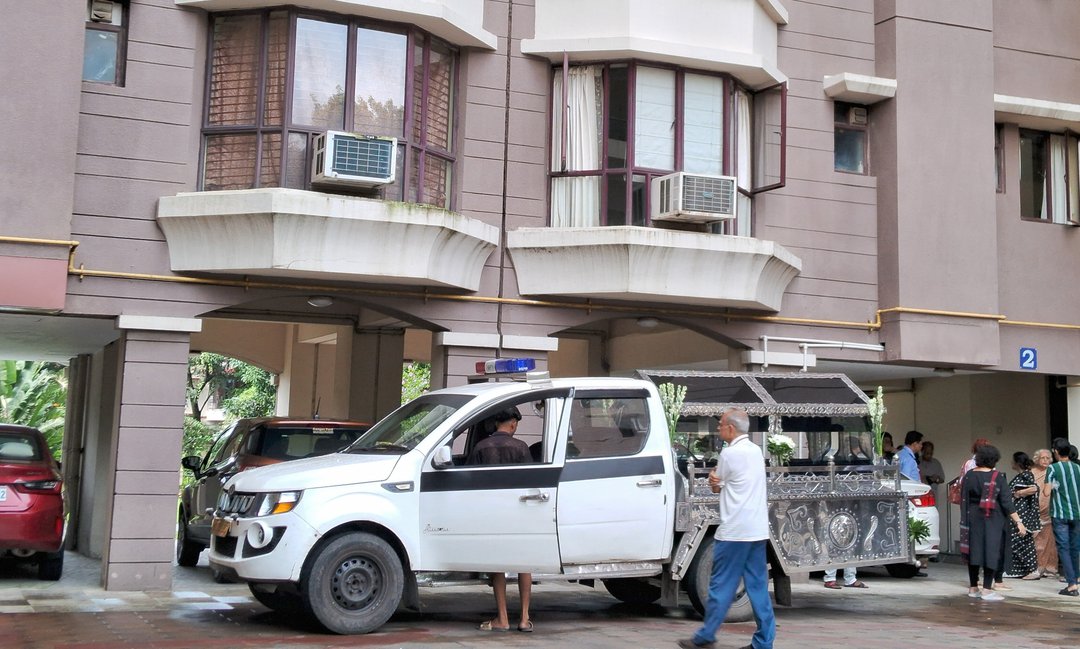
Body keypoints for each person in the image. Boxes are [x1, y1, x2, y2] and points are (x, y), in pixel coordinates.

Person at [678, 408, 775, 649]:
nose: (718, 428)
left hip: (734, 531)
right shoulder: (756, 451)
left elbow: (715, 484)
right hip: (757, 530)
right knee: (758, 588)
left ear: (731, 428)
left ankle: (706, 636)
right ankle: (764, 642)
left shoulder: (729, 454)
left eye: (721, 424)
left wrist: (714, 480)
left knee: (721, 586)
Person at [468, 407, 535, 632]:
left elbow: (470, 483)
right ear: (513, 424)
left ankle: (503, 619)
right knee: (525, 564)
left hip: (492, 514)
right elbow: (531, 482)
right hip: (519, 513)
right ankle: (524, 619)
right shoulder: (522, 448)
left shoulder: (481, 447)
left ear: (496, 424)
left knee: (497, 565)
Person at [960, 444, 1027, 601]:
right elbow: (1006, 502)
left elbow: (963, 496)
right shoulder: (997, 477)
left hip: (972, 518)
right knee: (991, 552)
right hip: (992, 519)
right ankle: (987, 590)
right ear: (994, 460)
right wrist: (1018, 521)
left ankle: (973, 587)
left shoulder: (969, 475)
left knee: (974, 551)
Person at [1043, 437, 1080, 597]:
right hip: (1077, 513)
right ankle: (1076, 577)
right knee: (1075, 547)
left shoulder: (1053, 468)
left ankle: (1071, 584)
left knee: (1064, 548)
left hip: (1060, 514)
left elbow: (1046, 492)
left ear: (1056, 452)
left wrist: (1055, 486)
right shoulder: (1078, 468)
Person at [1005, 451, 1041, 579]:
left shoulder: (1026, 475)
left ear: (1017, 462)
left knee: (1021, 541)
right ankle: (1019, 570)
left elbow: (1034, 488)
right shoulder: (1021, 475)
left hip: (1023, 514)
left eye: (1013, 460)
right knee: (1016, 541)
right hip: (1018, 513)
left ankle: (1033, 570)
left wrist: (1018, 494)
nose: (1011, 463)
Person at [1030, 448, 1059, 579]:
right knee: (1037, 541)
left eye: (1048, 458)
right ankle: (1037, 566)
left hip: (1050, 510)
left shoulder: (1053, 472)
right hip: (1034, 511)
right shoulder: (1032, 473)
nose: (1045, 460)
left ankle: (1049, 568)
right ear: (1037, 459)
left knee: (1050, 541)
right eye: (1043, 458)